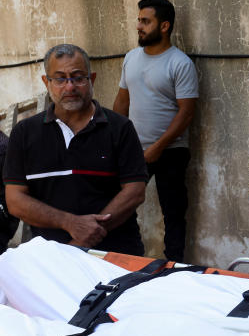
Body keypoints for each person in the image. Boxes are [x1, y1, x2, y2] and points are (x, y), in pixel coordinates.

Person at [3, 44, 147, 255]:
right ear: (47, 82)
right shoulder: (24, 133)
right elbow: (15, 200)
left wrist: (88, 235)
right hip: (52, 258)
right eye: (60, 78)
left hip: (116, 255)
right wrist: (70, 223)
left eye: (78, 77)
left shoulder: (119, 127)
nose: (69, 87)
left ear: (92, 79)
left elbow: (135, 191)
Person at [113, 0, 198, 262]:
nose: (138, 26)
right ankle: (129, 259)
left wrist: (156, 149)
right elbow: (122, 102)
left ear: (164, 26)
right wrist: (114, 140)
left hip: (171, 151)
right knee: (121, 207)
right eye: (139, 20)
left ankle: (173, 266)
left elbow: (186, 113)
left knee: (173, 213)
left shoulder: (180, 63)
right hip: (134, 150)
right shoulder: (131, 58)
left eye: (145, 21)